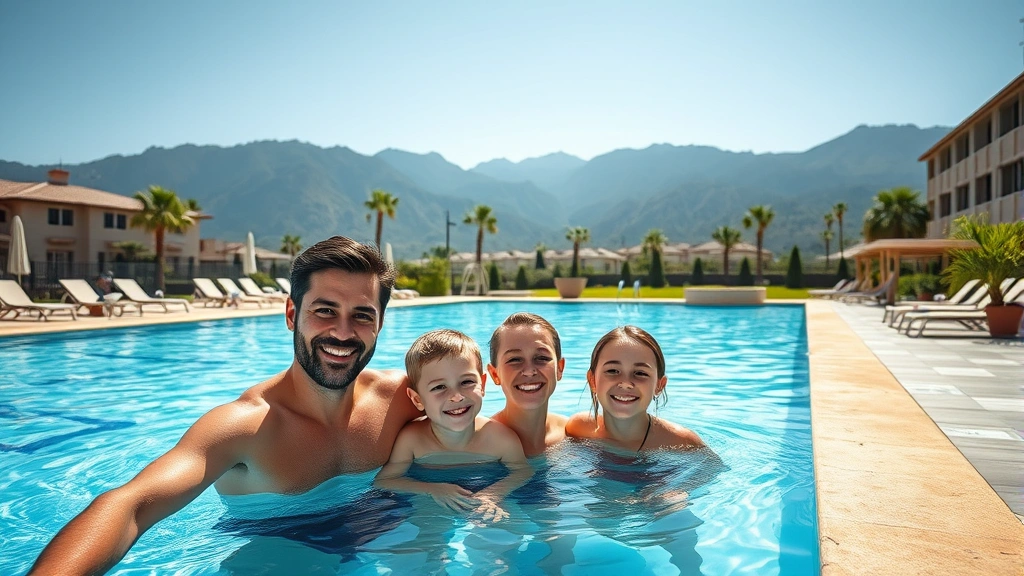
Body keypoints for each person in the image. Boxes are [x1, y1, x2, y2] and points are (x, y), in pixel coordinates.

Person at [30, 236, 422, 576]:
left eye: (362, 316)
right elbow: (131, 505)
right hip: (273, 559)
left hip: (378, 540)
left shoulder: (401, 398)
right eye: (324, 311)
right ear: (292, 314)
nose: (342, 332)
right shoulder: (243, 427)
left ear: (380, 323)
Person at [374, 329, 531, 522]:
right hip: (433, 503)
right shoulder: (413, 440)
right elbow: (385, 480)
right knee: (426, 532)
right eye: (439, 387)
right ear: (417, 399)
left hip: (485, 497)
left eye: (466, 382)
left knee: (506, 526)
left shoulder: (500, 438)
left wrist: (493, 494)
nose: (456, 396)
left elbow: (522, 471)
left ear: (482, 384)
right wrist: (433, 490)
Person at [566, 325, 708, 453]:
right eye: (613, 371)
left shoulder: (684, 444)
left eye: (640, 373)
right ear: (592, 380)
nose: (626, 383)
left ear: (660, 385)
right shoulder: (579, 429)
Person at [486, 312, 567, 457]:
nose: (529, 371)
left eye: (542, 358)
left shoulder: (572, 435)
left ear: (559, 369)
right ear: (495, 374)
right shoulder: (479, 443)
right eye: (515, 360)